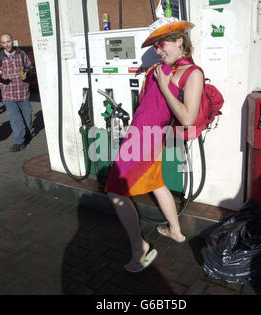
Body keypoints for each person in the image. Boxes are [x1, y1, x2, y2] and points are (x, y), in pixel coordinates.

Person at [105, 18, 202, 273]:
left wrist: (164, 85)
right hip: (141, 136)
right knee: (157, 183)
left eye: (163, 44)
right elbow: (148, 108)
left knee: (116, 191)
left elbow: (187, 117)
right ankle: (176, 232)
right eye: (156, 46)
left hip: (144, 141)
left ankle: (140, 248)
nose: (159, 50)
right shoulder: (157, 69)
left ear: (180, 40)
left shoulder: (192, 74)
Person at [0, 33, 35, 152]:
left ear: (12, 41)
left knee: (28, 118)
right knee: (15, 119)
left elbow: (30, 66)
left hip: (23, 92)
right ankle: (19, 142)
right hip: (8, 94)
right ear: (1, 44)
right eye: (4, 43)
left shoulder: (21, 53)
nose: (6, 44)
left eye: (8, 41)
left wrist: (27, 71)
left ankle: (30, 131)